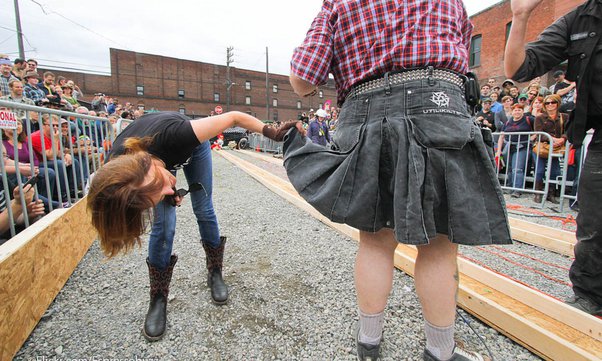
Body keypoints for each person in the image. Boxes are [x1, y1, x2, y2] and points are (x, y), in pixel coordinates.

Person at [287, 1, 511, 360]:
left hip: (365, 114)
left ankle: (369, 343)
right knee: (439, 245)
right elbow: (462, 48)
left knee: (375, 241)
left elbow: (302, 81)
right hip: (439, 106)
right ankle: (439, 352)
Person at [86, 111, 302, 341]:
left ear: (147, 164)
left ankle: (215, 272)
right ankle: (158, 297)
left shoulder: (178, 136)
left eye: (161, 185)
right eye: (154, 197)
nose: (171, 189)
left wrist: (272, 132)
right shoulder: (119, 173)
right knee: (163, 224)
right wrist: (163, 193)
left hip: (189, 147)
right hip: (155, 159)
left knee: (204, 208)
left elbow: (234, 117)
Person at [505, 0, 602, 316]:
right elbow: (520, 69)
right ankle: (589, 298)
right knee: (593, 223)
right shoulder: (580, 19)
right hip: (601, 137)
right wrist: (520, 17)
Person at [531, 94, 567, 204]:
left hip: (557, 147)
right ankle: (538, 193)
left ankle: (551, 193)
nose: (550, 105)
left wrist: (563, 139)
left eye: (553, 102)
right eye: (547, 103)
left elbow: (568, 130)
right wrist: (552, 139)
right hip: (543, 146)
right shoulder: (540, 117)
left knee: (555, 171)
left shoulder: (564, 117)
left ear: (558, 103)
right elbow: (538, 133)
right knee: (540, 170)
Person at [496, 104, 533, 198]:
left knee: (518, 168)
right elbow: (502, 136)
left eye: (519, 110)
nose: (517, 112)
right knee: (509, 168)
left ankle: (517, 189)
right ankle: (511, 187)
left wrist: (531, 139)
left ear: (523, 111)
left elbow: (537, 131)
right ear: (512, 112)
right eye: (515, 110)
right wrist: (499, 150)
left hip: (522, 146)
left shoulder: (529, 120)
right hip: (509, 146)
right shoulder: (508, 122)